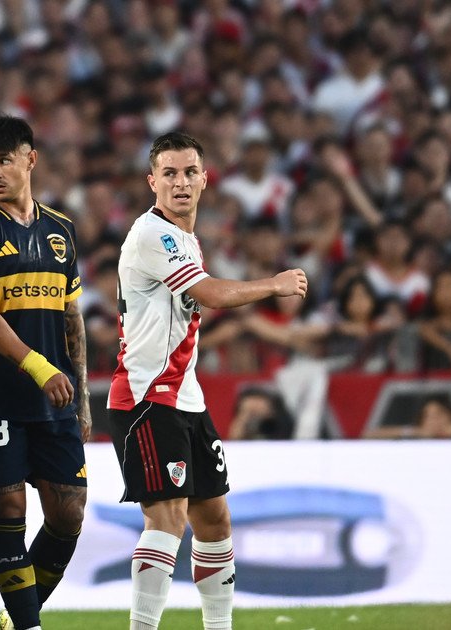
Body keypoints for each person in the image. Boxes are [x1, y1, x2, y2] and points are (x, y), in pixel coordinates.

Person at [107, 131, 308, 630]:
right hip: (146, 397)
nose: (180, 182)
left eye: (190, 172)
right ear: (152, 182)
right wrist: (273, 284)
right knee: (167, 518)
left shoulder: (185, 239)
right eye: (169, 173)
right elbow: (211, 295)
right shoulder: (153, 234)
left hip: (184, 398)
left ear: (204, 179)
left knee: (215, 518)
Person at [0, 115, 90, 630]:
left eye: (4, 160)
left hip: (55, 399)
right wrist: (37, 366)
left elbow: (71, 317)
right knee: (8, 514)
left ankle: (15, 618)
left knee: (68, 516)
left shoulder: (61, 229)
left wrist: (83, 400)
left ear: (30, 159)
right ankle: (28, 625)